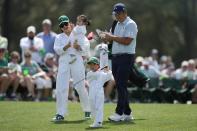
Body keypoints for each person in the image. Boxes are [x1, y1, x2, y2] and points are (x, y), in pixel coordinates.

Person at [101, 3, 137, 121]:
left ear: (124, 13)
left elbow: (127, 41)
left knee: (121, 84)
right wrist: (105, 37)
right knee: (121, 85)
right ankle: (127, 113)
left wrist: (111, 37)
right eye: (115, 14)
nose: (117, 16)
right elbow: (111, 39)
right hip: (116, 58)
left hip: (126, 57)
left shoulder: (131, 24)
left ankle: (119, 113)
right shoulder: (116, 23)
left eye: (119, 14)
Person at [52, 15, 90, 122]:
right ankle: (60, 113)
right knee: (61, 87)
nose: (64, 26)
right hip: (64, 62)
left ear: (69, 23)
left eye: (66, 24)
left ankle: (87, 109)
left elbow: (86, 49)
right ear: (60, 27)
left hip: (77, 61)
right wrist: (67, 46)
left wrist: (79, 47)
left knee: (80, 86)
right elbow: (57, 50)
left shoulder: (78, 34)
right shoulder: (59, 37)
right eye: (62, 25)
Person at [86, 57, 112, 128]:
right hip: (91, 92)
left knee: (99, 107)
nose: (91, 66)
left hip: (99, 93)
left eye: (93, 64)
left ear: (98, 65)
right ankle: (96, 120)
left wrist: (108, 70)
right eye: (90, 65)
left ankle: (98, 122)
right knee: (92, 106)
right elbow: (94, 75)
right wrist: (100, 71)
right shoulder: (89, 73)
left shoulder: (102, 74)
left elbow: (109, 77)